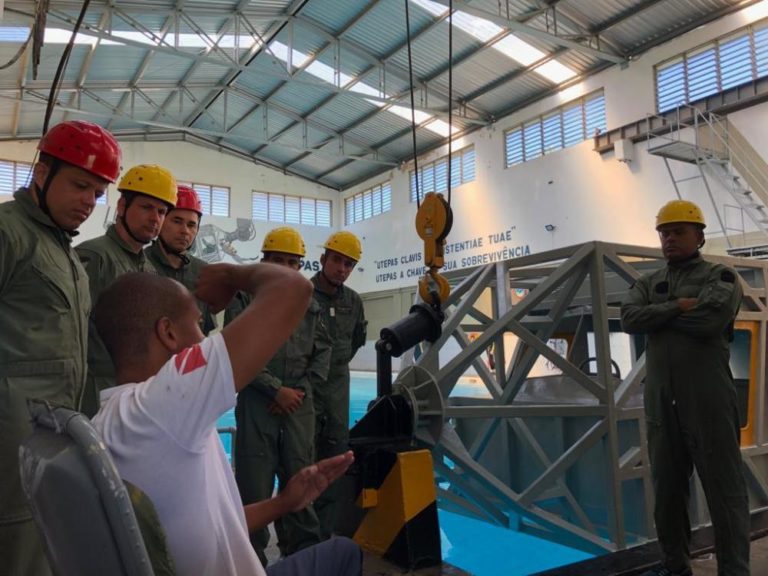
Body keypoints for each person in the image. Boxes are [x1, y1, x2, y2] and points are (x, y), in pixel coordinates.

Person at [90, 267, 362, 576]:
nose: (204, 337)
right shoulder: (158, 405)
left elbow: (212, 528)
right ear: (168, 333)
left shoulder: (108, 422)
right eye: (198, 324)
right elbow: (293, 287)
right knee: (344, 553)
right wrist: (229, 277)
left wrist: (283, 503)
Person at [0, 120, 121, 576]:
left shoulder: (65, 253)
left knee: (42, 543)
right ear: (42, 172)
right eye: (79, 186)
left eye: (97, 193)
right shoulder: (9, 233)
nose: (88, 202)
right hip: (10, 436)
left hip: (52, 431)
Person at [621, 199, 750, 576]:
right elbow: (629, 319)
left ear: (699, 236)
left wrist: (657, 317)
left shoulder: (720, 276)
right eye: (664, 233)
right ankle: (675, 566)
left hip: (707, 399)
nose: (669, 239)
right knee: (667, 491)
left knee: (724, 491)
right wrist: (678, 306)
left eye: (678, 232)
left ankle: (734, 571)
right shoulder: (647, 282)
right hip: (662, 403)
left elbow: (709, 321)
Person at [226, 227, 331, 564]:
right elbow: (236, 351)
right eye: (278, 261)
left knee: (301, 477)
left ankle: (303, 558)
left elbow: (323, 352)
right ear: (264, 261)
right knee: (254, 486)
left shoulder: (311, 306)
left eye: (292, 262)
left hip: (299, 405)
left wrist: (296, 393)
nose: (286, 268)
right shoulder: (244, 300)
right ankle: (249, 562)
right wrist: (275, 390)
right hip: (257, 405)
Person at [76, 164, 177, 417]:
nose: (155, 219)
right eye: (146, 207)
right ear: (122, 206)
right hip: (95, 391)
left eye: (162, 212)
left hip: (134, 391)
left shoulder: (148, 268)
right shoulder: (94, 256)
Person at [311, 231, 367, 539]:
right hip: (306, 391)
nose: (341, 269)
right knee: (300, 462)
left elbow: (356, 341)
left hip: (337, 393)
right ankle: (299, 541)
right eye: (336, 261)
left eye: (349, 264)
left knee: (333, 462)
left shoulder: (354, 302)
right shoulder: (302, 294)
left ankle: (323, 536)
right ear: (323, 259)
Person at [146, 184, 216, 334]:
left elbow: (205, 330)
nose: (185, 231)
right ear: (161, 220)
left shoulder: (204, 273)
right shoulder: (139, 263)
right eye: (177, 221)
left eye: (191, 225)